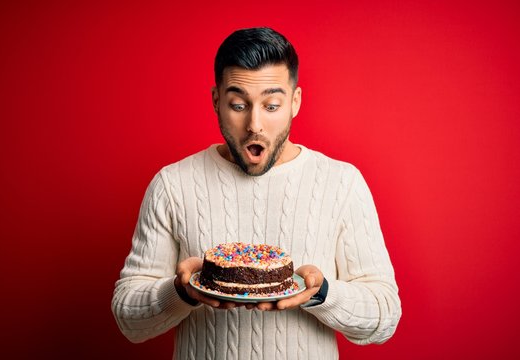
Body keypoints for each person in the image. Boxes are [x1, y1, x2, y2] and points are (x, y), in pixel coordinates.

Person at [112, 27, 401, 359]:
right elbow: (128, 319)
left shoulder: (342, 183)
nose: (255, 124)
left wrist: (322, 293)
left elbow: (384, 317)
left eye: (272, 105)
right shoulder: (173, 184)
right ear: (217, 101)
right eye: (238, 104)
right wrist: (181, 291)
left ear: (295, 102)